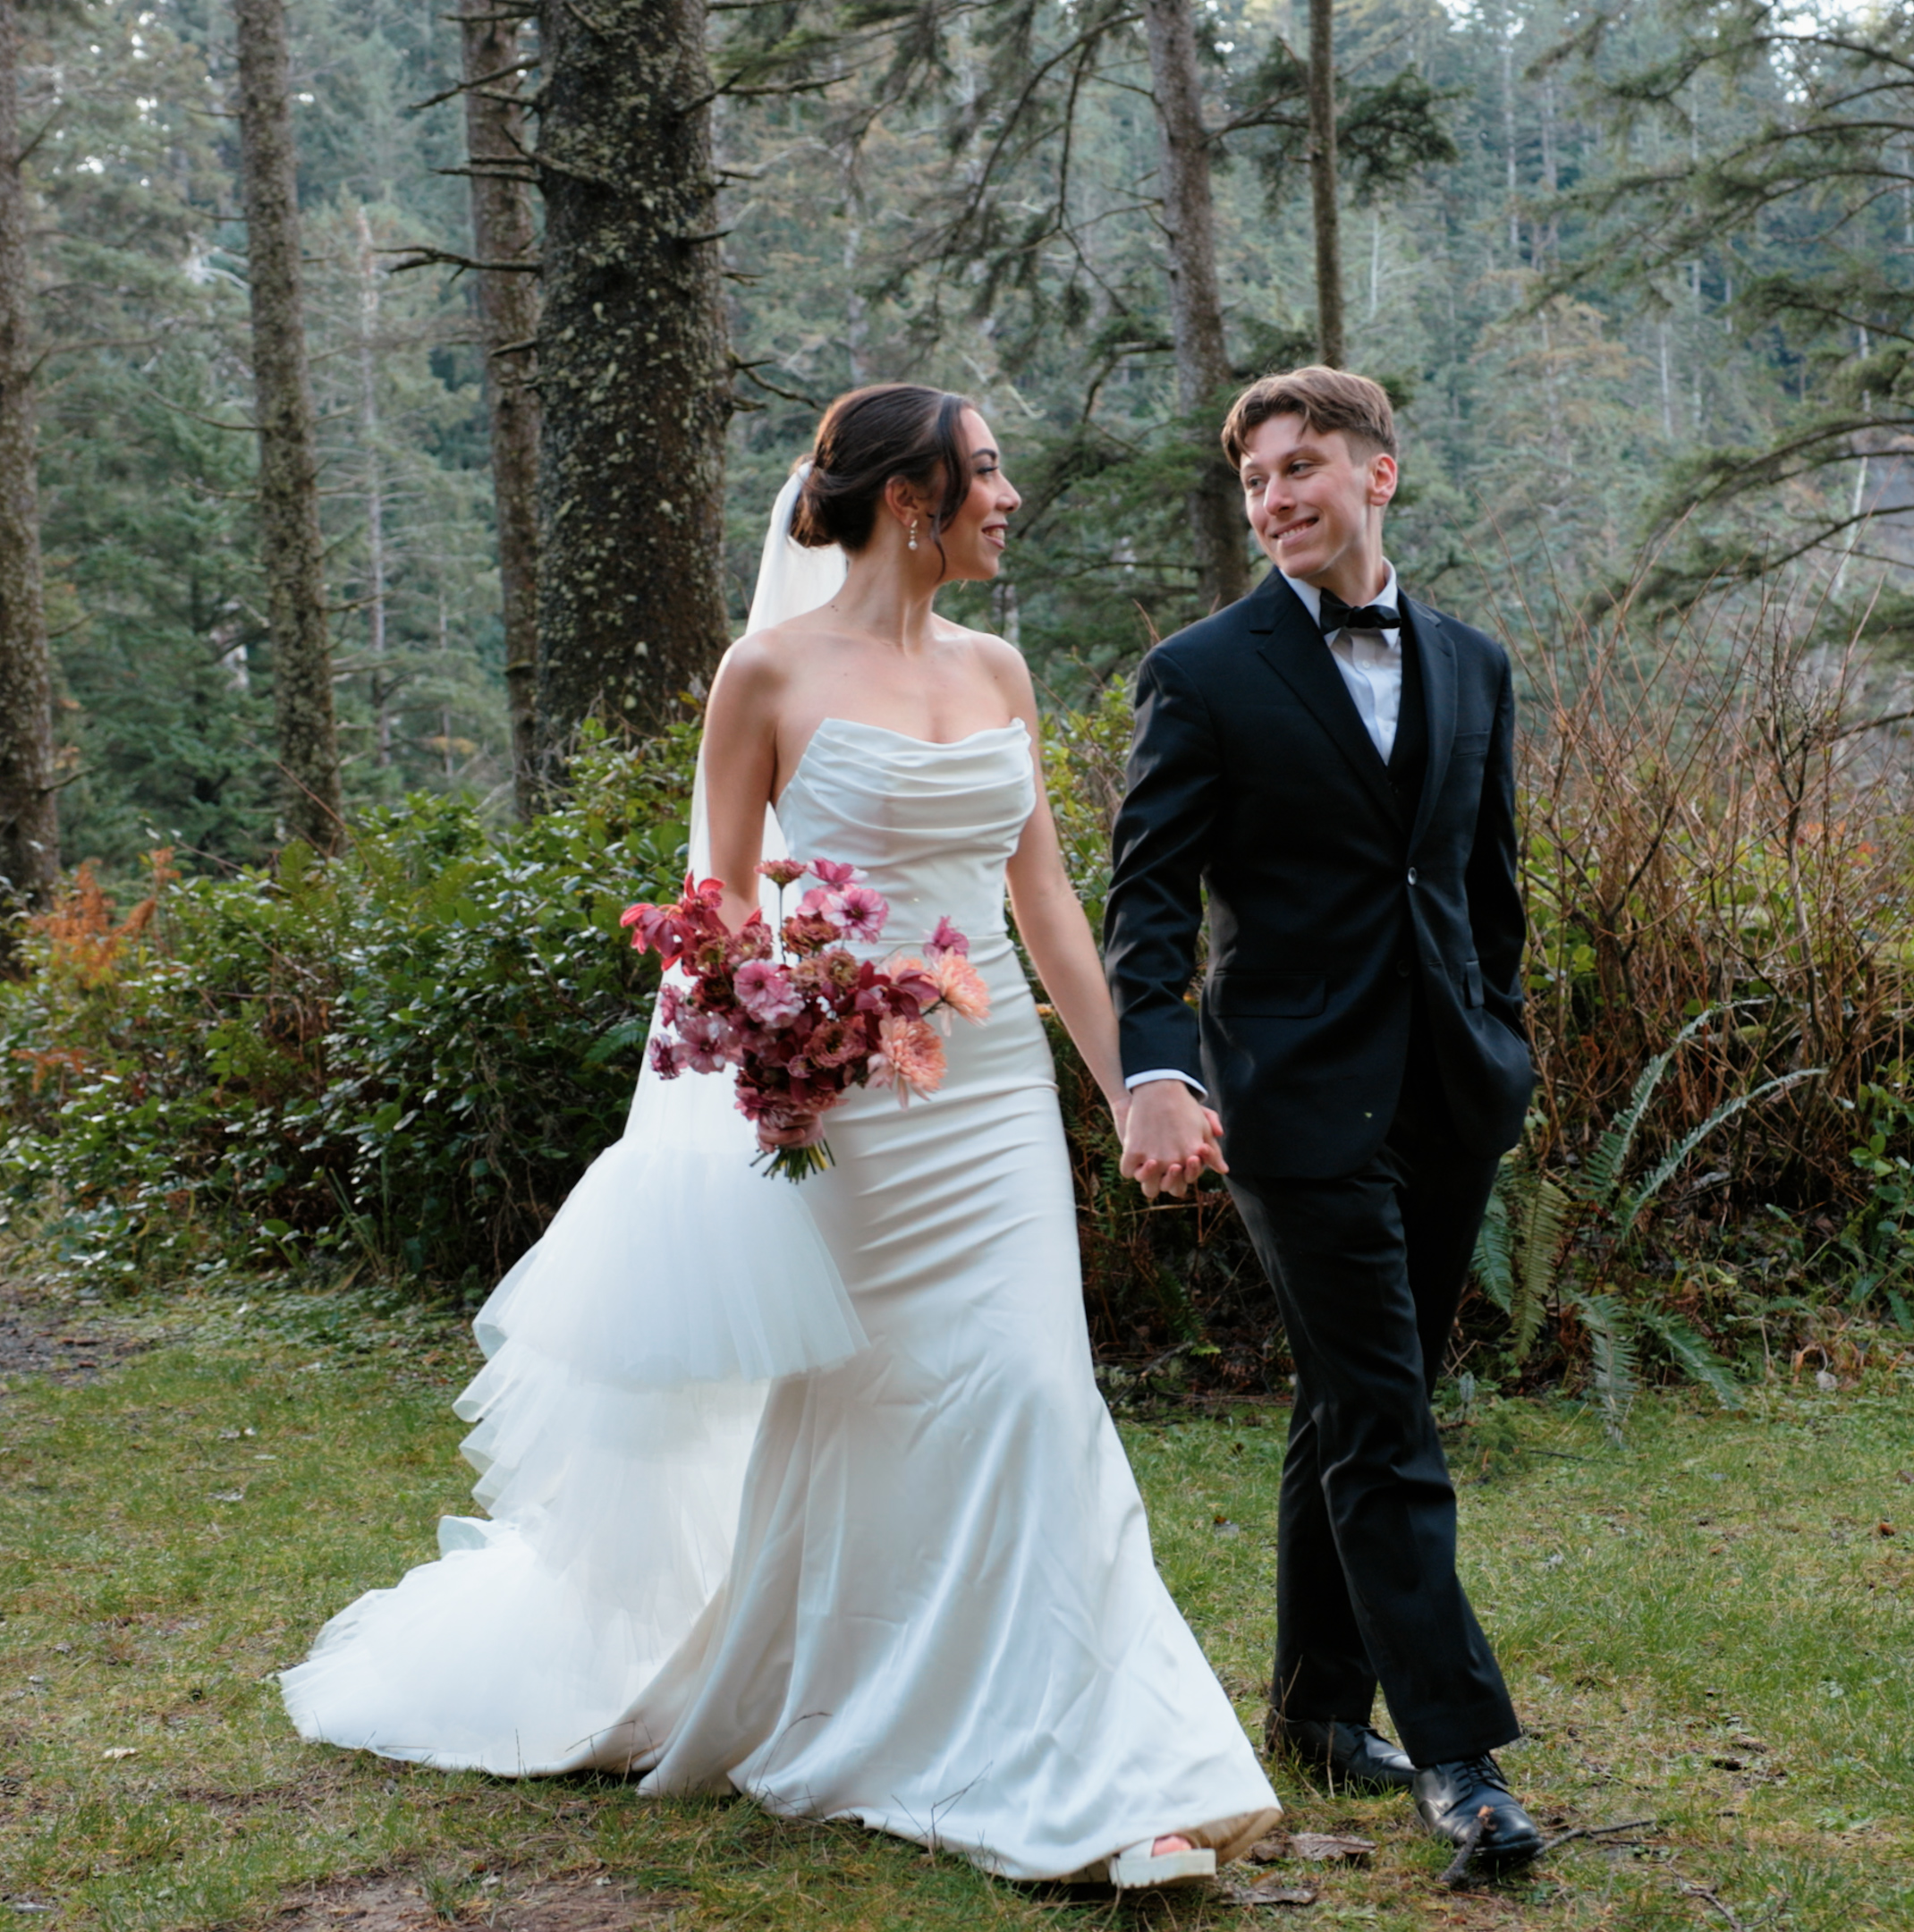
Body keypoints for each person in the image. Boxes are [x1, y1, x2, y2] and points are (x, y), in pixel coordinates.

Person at [282, 383, 1282, 1889]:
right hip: (857, 1106)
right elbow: (717, 918)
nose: (1012, 498)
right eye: (989, 472)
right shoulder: (764, 676)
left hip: (991, 1087)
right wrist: (794, 1018)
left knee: (1028, 1394)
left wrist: (1135, 1079)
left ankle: (1108, 1775)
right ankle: (854, 1702)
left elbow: (1047, 905)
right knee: (861, 1412)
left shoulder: (1000, 669)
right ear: (911, 500)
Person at [1104, 367, 1547, 1882]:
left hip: (1448, 1093)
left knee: (1358, 1399)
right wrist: (1154, 1067)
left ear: (1379, 475)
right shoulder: (1204, 671)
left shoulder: (1476, 665)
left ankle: (1309, 1713)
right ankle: (1457, 1754)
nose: (1275, 500)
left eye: (1302, 470)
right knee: (1386, 1417)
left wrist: (1501, 1037)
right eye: (1254, 484)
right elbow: (1149, 896)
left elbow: (1489, 889)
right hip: (1289, 1100)